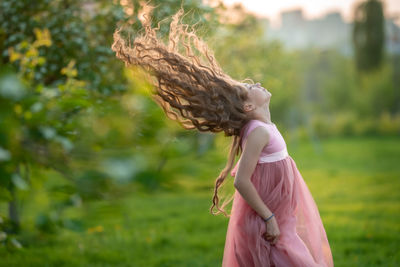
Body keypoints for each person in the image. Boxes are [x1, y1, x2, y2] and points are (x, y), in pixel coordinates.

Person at [111, 4, 334, 267]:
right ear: (249, 107)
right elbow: (241, 180)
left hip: (280, 217)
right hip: (270, 220)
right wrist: (268, 217)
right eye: (251, 87)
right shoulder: (259, 132)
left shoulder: (262, 129)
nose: (257, 83)